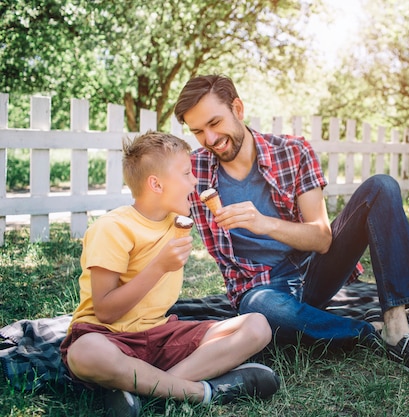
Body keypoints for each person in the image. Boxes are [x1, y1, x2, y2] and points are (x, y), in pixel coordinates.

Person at [174, 75, 409, 379]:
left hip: (314, 271)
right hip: (260, 289)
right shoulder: (193, 170)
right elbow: (157, 220)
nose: (210, 138)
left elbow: (322, 239)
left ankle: (398, 326)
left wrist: (263, 223)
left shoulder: (293, 152)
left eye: (215, 123)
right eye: (198, 131)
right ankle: (372, 329)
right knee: (260, 307)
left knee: (382, 187)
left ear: (238, 109)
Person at [59, 131, 280, 417]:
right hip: (108, 336)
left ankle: (142, 390)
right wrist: (159, 267)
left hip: (159, 335)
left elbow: (222, 216)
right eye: (187, 173)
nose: (194, 181)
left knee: (257, 326)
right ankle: (201, 392)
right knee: (85, 353)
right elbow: (104, 311)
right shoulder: (112, 228)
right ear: (156, 184)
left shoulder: (178, 221)